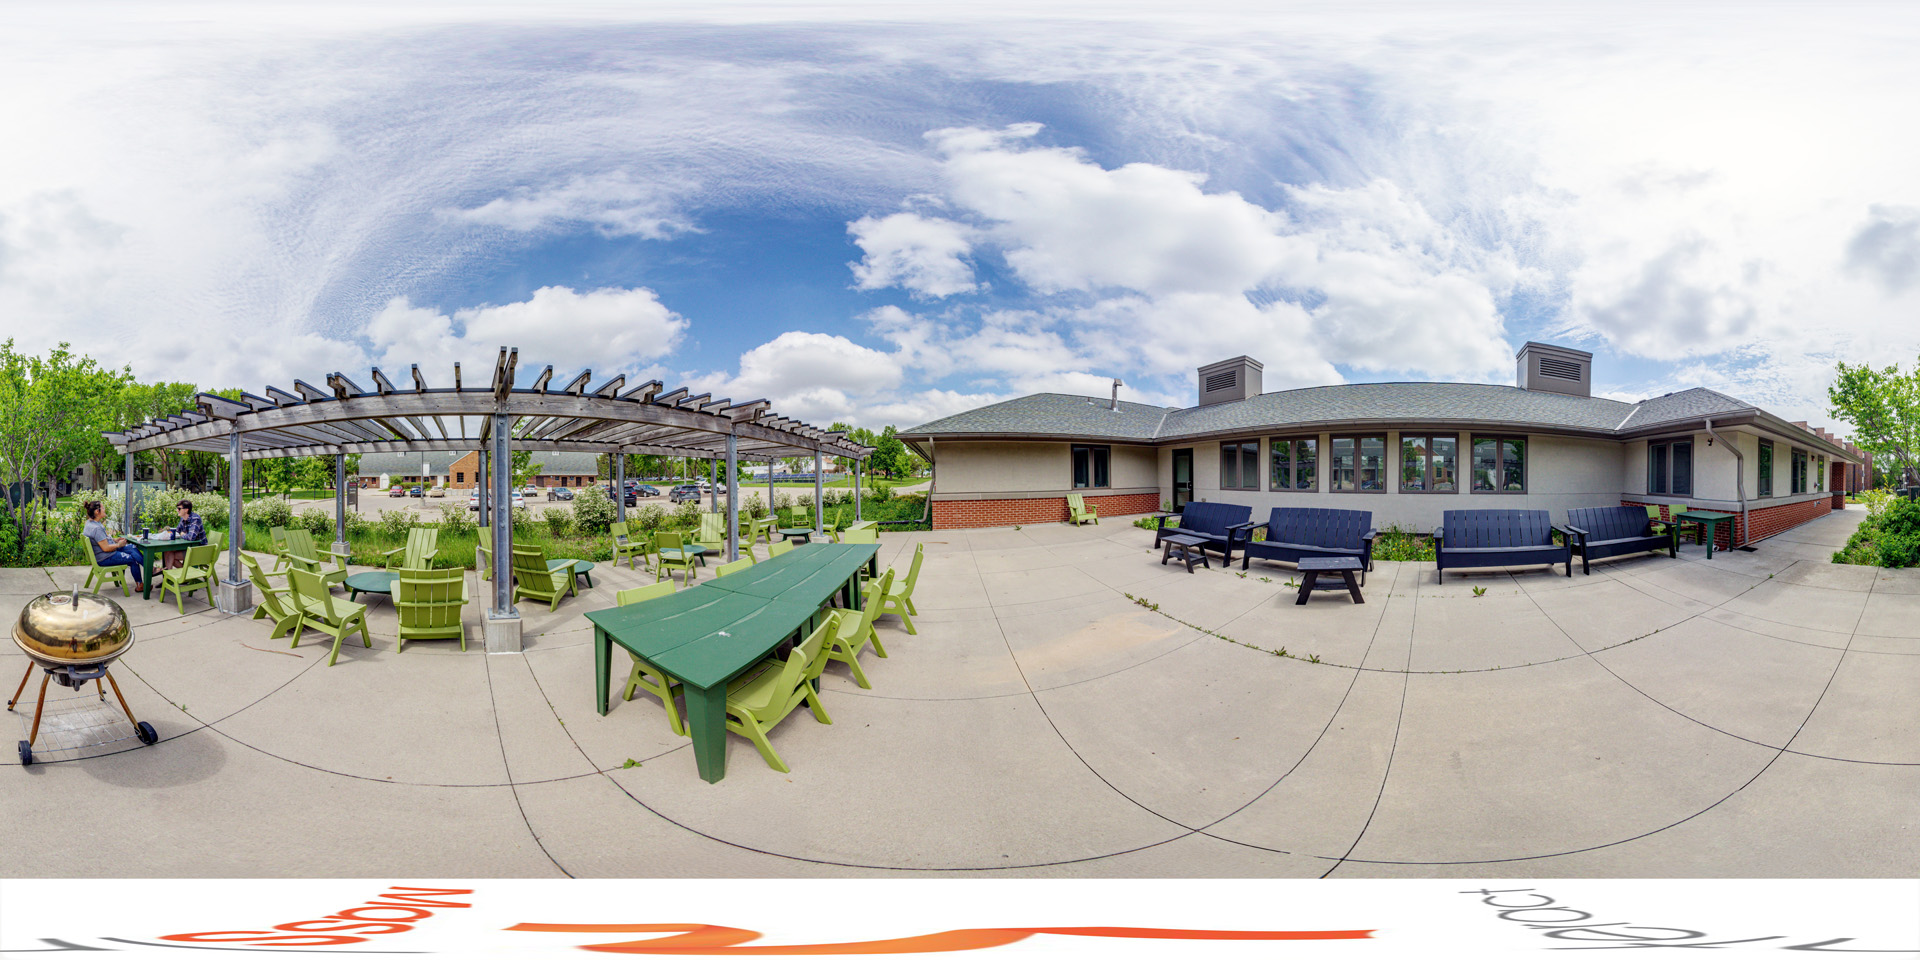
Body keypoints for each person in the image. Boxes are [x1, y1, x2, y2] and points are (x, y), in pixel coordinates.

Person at [82, 501, 145, 593]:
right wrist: (119, 545)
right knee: (132, 559)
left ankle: (150, 569)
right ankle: (140, 584)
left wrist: (115, 540)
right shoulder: (96, 528)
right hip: (105, 557)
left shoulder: (90, 523)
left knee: (132, 547)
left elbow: (101, 540)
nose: (104, 509)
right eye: (103, 508)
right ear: (97, 511)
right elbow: (106, 548)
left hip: (102, 554)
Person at [160, 499, 206, 570]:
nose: (177, 510)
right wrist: (167, 531)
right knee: (167, 551)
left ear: (186, 510)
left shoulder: (195, 519)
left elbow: (191, 537)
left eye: (179, 508)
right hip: (188, 547)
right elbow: (177, 531)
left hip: (198, 549)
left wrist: (182, 534)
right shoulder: (183, 518)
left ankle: (182, 573)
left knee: (170, 555)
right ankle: (182, 573)